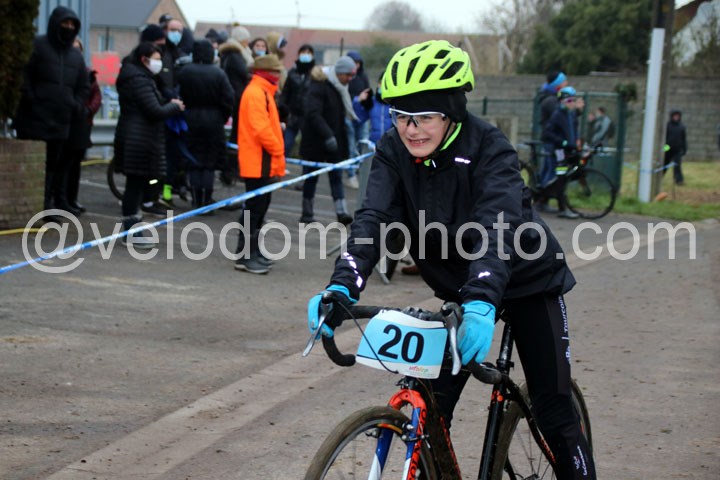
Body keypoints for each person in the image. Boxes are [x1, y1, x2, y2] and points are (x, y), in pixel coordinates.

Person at [306, 40, 596, 480]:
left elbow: (496, 227)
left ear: (452, 111)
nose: (411, 129)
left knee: (553, 412)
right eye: (400, 116)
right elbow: (373, 219)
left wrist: (481, 299)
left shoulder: (490, 148)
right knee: (431, 412)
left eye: (424, 117)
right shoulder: (392, 149)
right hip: (461, 290)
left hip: (526, 280)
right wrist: (343, 282)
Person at [12, 5, 89, 220]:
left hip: (61, 122)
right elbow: (24, 76)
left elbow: (83, 86)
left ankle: (47, 207)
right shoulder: (38, 46)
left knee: (54, 168)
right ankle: (29, 207)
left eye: (72, 24)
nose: (68, 28)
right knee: (32, 167)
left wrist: (75, 105)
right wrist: (33, 99)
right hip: (34, 119)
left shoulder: (76, 56)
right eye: (65, 23)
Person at [114, 42, 184, 249]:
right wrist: (174, 106)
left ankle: (133, 229)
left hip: (138, 137)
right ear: (144, 59)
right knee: (135, 186)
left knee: (138, 185)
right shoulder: (138, 80)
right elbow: (154, 110)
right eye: (156, 59)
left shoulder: (140, 77)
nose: (159, 63)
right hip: (138, 139)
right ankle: (131, 231)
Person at [234, 54, 286, 274]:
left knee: (259, 209)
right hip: (258, 161)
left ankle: (252, 251)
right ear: (266, 72)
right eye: (276, 71)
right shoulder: (256, 92)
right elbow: (261, 129)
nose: (279, 74)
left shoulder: (263, 91)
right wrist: (278, 149)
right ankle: (245, 255)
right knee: (254, 210)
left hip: (262, 161)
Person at [298, 56, 356, 225]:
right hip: (316, 140)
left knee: (336, 177)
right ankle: (307, 212)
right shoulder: (318, 86)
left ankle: (341, 211)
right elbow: (313, 113)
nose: (350, 79)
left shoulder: (340, 88)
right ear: (339, 73)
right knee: (311, 177)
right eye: (348, 75)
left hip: (334, 141)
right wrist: (328, 135)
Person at [177, 39, 234, 210]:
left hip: (190, 119)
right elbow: (228, 98)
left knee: (194, 160)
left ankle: (196, 199)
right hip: (213, 120)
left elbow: (178, 94)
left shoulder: (185, 71)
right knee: (209, 162)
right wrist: (222, 116)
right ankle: (207, 199)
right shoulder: (218, 73)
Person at [63, 37, 103, 214]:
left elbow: (96, 96)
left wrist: (87, 111)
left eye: (78, 49)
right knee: (63, 165)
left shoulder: (88, 74)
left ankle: (72, 198)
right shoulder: (62, 72)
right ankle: (60, 199)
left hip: (82, 125)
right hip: (66, 124)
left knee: (75, 165)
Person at [219, 25, 254, 186]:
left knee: (237, 135)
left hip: (237, 97)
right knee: (237, 136)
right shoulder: (235, 56)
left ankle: (231, 168)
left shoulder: (233, 54)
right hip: (238, 99)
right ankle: (230, 169)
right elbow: (243, 74)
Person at [541, 86, 582, 219]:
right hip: (559, 151)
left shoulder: (570, 115)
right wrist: (563, 142)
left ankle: (546, 201)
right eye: (570, 100)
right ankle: (561, 208)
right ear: (563, 101)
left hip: (566, 151)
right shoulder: (558, 114)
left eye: (573, 100)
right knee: (559, 178)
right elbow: (547, 133)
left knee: (560, 178)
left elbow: (572, 132)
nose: (572, 103)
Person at [280, 44, 315, 157]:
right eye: (303, 52)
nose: (305, 55)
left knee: (308, 148)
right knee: (286, 144)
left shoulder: (315, 74)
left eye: (308, 53)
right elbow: (285, 94)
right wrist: (283, 112)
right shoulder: (292, 73)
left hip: (308, 116)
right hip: (292, 116)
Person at [344, 51, 371, 189]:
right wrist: (357, 99)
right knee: (350, 146)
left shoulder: (363, 77)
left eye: (358, 63)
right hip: (348, 116)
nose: (356, 65)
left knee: (363, 145)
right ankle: (351, 174)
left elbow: (368, 93)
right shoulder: (345, 78)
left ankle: (359, 170)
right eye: (354, 62)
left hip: (362, 117)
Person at [664, 109, 688, 185]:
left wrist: (684, 149)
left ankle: (679, 180)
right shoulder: (667, 125)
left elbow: (684, 139)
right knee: (664, 163)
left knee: (677, 165)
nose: (676, 117)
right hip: (667, 147)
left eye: (678, 116)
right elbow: (664, 138)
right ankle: (658, 178)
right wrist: (664, 148)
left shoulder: (681, 126)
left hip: (677, 149)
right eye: (675, 116)